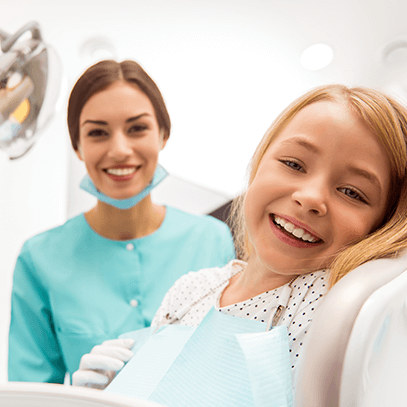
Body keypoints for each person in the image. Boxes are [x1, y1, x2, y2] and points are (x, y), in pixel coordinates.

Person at [72, 84, 407, 396]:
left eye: (352, 192)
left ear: (383, 225)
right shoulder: (191, 289)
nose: (310, 198)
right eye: (293, 163)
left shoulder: (329, 305)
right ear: (258, 164)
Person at [8, 60, 235, 384]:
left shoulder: (212, 240)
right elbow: (28, 394)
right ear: (77, 146)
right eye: (98, 132)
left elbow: (232, 368)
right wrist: (76, 399)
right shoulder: (39, 259)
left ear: (163, 134)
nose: (119, 150)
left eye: (137, 128)